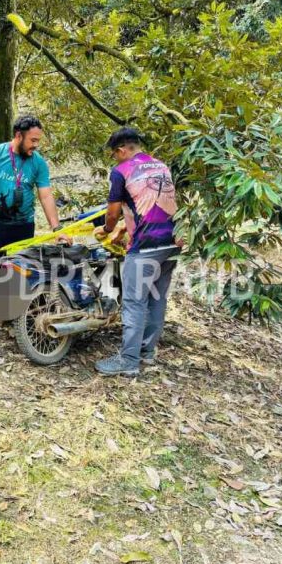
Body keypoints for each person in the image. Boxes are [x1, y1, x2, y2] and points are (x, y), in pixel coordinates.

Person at [0, 115, 70, 343]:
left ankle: (15, 320)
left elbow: (45, 195)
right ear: (18, 135)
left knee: (20, 274)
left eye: (38, 141)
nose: (35, 145)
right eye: (32, 140)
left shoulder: (38, 163)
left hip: (23, 226)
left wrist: (57, 228)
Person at [93, 127, 181, 377]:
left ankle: (128, 361)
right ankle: (147, 352)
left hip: (145, 246)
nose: (114, 158)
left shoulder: (121, 171)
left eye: (114, 154)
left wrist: (107, 229)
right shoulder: (161, 166)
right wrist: (123, 228)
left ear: (122, 150)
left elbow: (112, 212)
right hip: (172, 242)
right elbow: (150, 203)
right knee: (156, 297)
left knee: (134, 301)